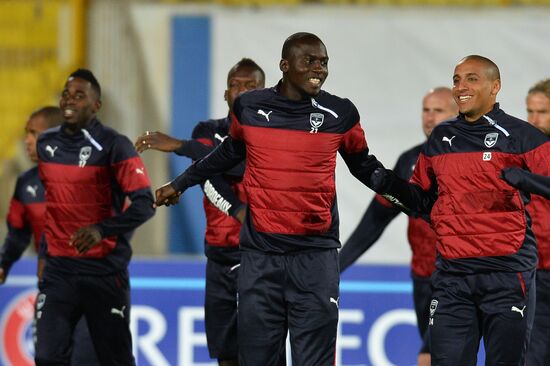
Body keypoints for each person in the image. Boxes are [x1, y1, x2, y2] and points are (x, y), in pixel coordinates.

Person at [154, 32, 383, 366]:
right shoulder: (231, 121)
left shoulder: (335, 114)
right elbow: (222, 158)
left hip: (307, 254)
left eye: (323, 62)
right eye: (237, 84)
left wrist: (405, 194)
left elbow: (364, 166)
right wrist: (181, 182)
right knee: (237, 355)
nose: (319, 68)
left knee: (312, 357)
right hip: (244, 255)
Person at [371, 55, 550, 365]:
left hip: (506, 274)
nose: (460, 87)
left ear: (495, 87)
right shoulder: (441, 138)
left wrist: (527, 180)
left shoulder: (522, 136)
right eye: (456, 79)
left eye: (471, 79)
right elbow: (421, 202)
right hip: (452, 276)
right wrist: (387, 183)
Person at [135, 58, 267, 366]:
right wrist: (237, 211)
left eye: (251, 86)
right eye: (235, 85)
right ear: (225, 94)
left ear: (265, 93)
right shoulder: (207, 131)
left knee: (262, 350)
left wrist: (182, 145)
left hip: (259, 256)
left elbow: (243, 164)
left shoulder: (271, 136)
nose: (242, 91)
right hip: (219, 257)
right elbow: (209, 174)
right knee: (225, 353)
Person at [34, 69, 155, 366]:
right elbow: (56, 206)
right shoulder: (46, 145)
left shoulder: (115, 145)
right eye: (66, 93)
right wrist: (45, 252)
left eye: (79, 95)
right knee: (47, 356)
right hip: (59, 272)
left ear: (96, 105)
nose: (69, 100)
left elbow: (145, 204)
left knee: (110, 359)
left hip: (103, 274)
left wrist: (102, 230)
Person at [338, 87, 458, 366]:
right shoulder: (410, 161)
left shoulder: (473, 158)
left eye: (438, 110)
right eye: (425, 110)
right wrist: (337, 265)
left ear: (456, 114)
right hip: (423, 277)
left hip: (458, 276)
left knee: (430, 356)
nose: (429, 117)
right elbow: (376, 219)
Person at [0, 106, 100, 366]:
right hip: (52, 291)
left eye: (34, 133)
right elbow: (17, 233)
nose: (27, 140)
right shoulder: (26, 184)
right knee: (46, 358)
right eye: (27, 133)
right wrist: (4, 263)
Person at [501, 78, 550, 366]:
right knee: (533, 353)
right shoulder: (521, 152)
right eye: (529, 111)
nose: (533, 120)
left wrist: (527, 180)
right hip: (534, 270)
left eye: (542, 112)